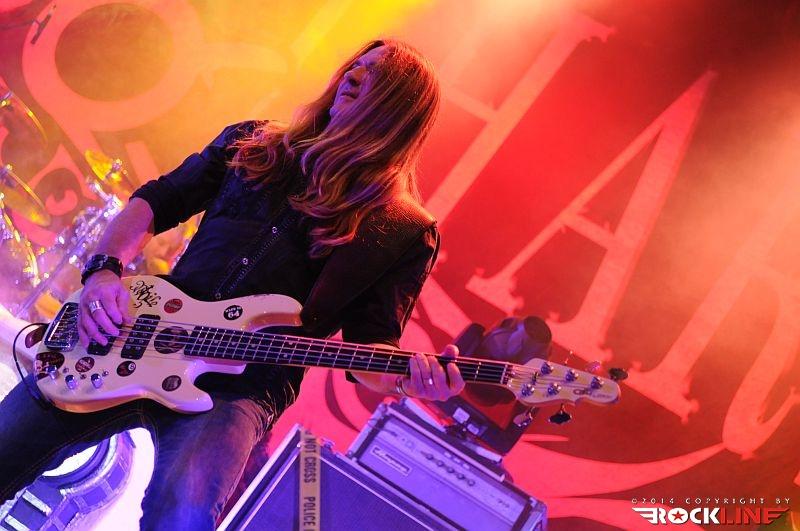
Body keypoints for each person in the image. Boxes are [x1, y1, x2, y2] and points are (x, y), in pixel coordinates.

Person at [0, 39, 465, 529]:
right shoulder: (255, 141)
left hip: (242, 387)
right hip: (140, 332)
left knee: (184, 515)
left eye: (375, 76)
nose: (353, 75)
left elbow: (371, 346)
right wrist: (102, 273)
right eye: (357, 66)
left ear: (398, 110)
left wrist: (408, 379)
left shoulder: (404, 229)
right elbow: (159, 200)